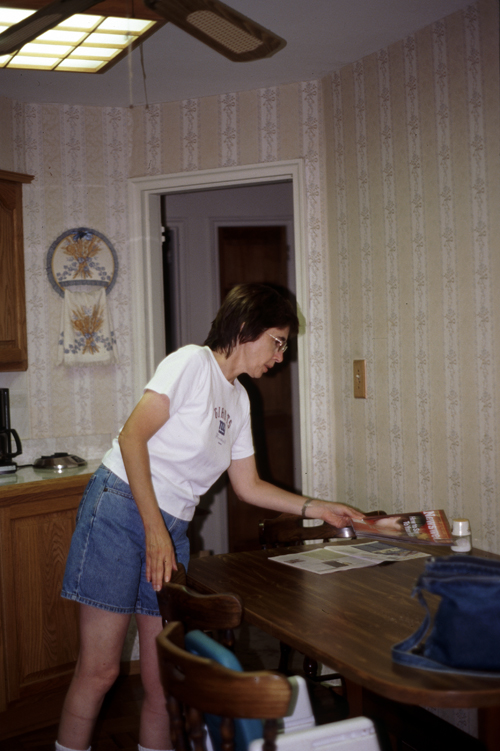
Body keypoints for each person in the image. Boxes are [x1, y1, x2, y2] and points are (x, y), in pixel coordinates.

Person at [56, 283, 364, 751]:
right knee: (100, 670)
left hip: (171, 526)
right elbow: (131, 439)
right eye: (278, 342)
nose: (280, 357)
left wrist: (317, 507)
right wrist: (156, 531)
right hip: (120, 509)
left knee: (165, 682)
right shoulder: (190, 363)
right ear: (247, 327)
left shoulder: (240, 400)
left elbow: (248, 486)